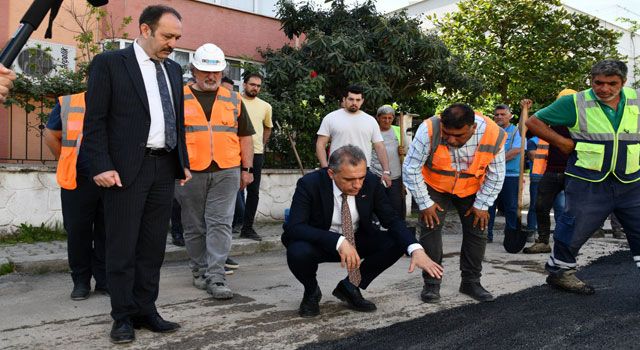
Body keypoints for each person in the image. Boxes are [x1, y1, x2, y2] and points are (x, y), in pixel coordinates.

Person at [82, 5, 191, 343]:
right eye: (167, 36)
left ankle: (146, 309)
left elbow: (175, 119)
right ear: (145, 30)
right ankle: (123, 316)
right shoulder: (110, 64)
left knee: (152, 246)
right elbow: (95, 120)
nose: (173, 43)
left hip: (163, 167)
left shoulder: (173, 70)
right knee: (122, 245)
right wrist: (100, 164)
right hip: (126, 169)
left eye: (177, 37)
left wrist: (181, 159)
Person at [282, 145, 443, 317]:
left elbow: (391, 219)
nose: (357, 185)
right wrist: (338, 241)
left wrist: (415, 248)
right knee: (297, 251)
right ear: (331, 174)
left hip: (357, 240)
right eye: (349, 179)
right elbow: (295, 227)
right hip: (321, 243)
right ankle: (311, 291)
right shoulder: (310, 183)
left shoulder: (371, 182)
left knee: (399, 240)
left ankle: (350, 286)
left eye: (361, 177)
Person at [526, 59, 640, 295]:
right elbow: (533, 122)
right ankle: (561, 273)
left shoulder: (636, 100)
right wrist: (561, 141)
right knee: (574, 227)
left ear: (623, 82)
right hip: (587, 181)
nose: (604, 89)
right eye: (598, 83)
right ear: (591, 80)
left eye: (612, 83)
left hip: (630, 181)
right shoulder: (575, 102)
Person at [174, 43, 255, 300]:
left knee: (220, 222)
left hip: (227, 170)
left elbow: (245, 138)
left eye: (216, 72)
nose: (211, 77)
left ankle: (217, 276)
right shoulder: (178, 97)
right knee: (194, 225)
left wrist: (247, 169)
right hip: (189, 171)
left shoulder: (233, 98)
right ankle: (198, 270)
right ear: (193, 70)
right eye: (205, 71)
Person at [403, 103, 506, 303]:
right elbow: (411, 167)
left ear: (473, 128)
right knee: (430, 226)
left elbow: (496, 174)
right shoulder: (429, 129)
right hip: (435, 185)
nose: (451, 139)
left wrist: (482, 205)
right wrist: (425, 203)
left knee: (478, 229)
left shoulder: (493, 133)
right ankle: (432, 284)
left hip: (472, 188)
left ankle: (471, 282)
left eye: (458, 135)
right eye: (447, 134)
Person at [44, 92, 107, 300]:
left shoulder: (120, 101)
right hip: (77, 179)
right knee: (78, 231)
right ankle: (81, 281)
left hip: (110, 178)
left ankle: (104, 281)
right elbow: (51, 134)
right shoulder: (70, 102)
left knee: (107, 232)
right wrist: (66, 160)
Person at [522, 91, 575, 254]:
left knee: (572, 210)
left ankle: (570, 241)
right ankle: (543, 241)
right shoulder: (551, 118)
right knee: (541, 206)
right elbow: (526, 130)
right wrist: (525, 111)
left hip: (574, 171)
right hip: (551, 171)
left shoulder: (582, 121)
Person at [316, 85, 392, 187]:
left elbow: (380, 147)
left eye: (358, 100)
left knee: (362, 202)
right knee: (336, 201)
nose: (354, 103)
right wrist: (325, 168)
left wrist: (386, 171)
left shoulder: (370, 121)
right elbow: (320, 144)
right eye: (351, 99)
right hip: (337, 169)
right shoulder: (330, 118)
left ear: (362, 101)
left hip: (363, 170)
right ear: (344, 99)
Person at [239, 72, 273, 241]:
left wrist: (260, 144)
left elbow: (268, 127)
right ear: (244, 84)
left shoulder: (266, 106)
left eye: (258, 86)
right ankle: (227, 225)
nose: (255, 88)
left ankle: (247, 228)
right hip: (233, 152)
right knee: (229, 191)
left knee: (253, 192)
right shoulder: (234, 101)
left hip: (256, 153)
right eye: (252, 84)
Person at [487, 104, 521, 243]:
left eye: (503, 114)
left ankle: (511, 236)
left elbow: (515, 151)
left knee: (511, 207)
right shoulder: (490, 132)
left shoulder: (516, 132)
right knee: (488, 206)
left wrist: (494, 161)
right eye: (497, 114)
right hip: (490, 175)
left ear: (510, 116)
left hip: (510, 176)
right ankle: (486, 235)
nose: (499, 117)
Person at [370, 105, 406, 219]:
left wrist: (403, 151)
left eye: (390, 118)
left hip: (395, 177)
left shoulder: (397, 131)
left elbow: (408, 151)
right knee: (377, 208)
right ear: (378, 118)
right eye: (384, 118)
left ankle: (396, 232)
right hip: (376, 175)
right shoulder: (372, 131)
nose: (387, 120)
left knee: (396, 208)